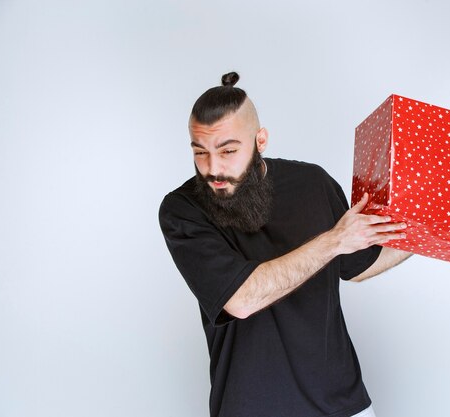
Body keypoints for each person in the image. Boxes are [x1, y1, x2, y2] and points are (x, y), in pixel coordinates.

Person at [159, 72, 412, 417]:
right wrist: (334, 240)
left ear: (260, 140)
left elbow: (357, 265)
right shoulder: (182, 210)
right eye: (200, 152)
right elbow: (243, 299)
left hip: (343, 405)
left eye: (228, 150)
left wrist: (430, 232)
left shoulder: (314, 183)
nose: (213, 169)